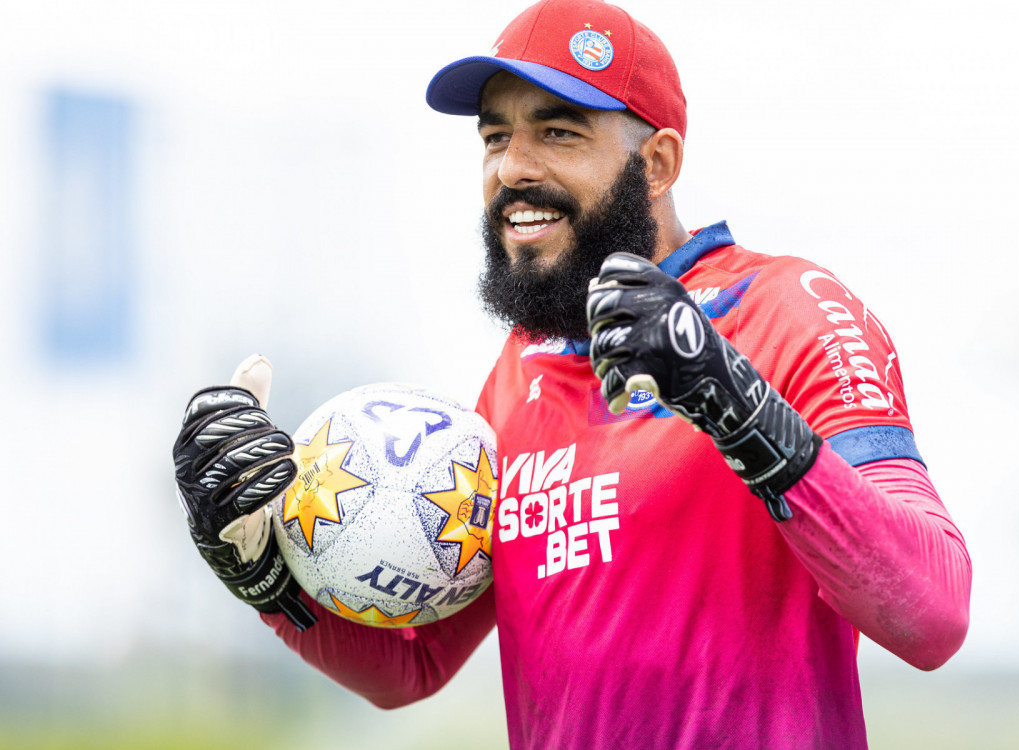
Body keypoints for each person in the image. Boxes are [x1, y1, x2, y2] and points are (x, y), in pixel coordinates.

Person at [172, 0, 972, 747]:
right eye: (494, 138)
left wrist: (738, 404)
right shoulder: (520, 370)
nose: (512, 168)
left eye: (557, 132)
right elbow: (412, 667)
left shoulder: (787, 308)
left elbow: (932, 615)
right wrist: (266, 573)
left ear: (657, 163)